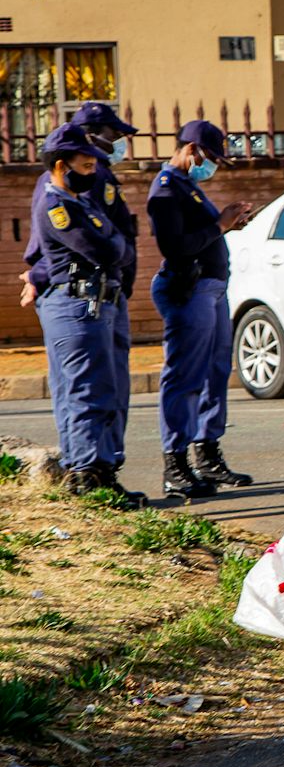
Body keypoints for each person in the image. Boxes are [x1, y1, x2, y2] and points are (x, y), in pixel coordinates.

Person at [23, 101, 141, 488]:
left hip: (98, 297)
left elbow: (114, 237)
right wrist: (115, 246)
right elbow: (107, 248)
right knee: (86, 391)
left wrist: (115, 246)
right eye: (87, 165)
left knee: (99, 388)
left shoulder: (73, 197)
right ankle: (88, 473)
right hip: (76, 301)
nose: (94, 170)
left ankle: (97, 470)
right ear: (63, 164)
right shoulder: (57, 202)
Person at [147, 120, 254, 499]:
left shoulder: (188, 186)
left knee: (214, 372)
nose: (214, 167)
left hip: (211, 289)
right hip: (188, 291)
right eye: (210, 158)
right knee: (185, 378)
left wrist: (228, 223)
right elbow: (175, 247)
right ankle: (175, 464)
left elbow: (204, 233)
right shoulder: (165, 188)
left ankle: (207, 453)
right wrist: (220, 226)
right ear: (191, 150)